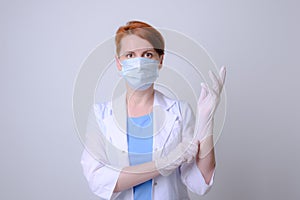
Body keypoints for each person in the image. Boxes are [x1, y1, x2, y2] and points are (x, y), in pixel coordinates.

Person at [81, 21, 226, 200]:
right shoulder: (101, 116)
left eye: (148, 54)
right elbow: (99, 180)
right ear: (119, 63)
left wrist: (206, 121)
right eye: (130, 55)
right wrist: (162, 164)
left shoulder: (180, 113)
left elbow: (200, 181)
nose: (139, 62)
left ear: (160, 60)